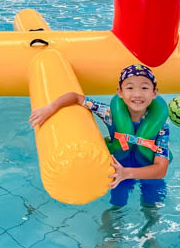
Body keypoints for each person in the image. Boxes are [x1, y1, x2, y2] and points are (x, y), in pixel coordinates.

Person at [28, 64, 170, 207]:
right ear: (120, 92)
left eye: (144, 88)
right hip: (118, 174)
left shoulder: (161, 127)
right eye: (130, 88)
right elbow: (76, 97)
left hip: (147, 173)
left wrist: (127, 173)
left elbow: (160, 169)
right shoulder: (110, 114)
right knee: (117, 207)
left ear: (154, 93)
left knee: (152, 209)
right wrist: (50, 108)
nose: (137, 94)